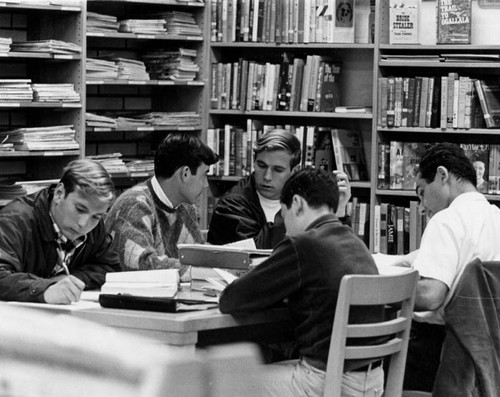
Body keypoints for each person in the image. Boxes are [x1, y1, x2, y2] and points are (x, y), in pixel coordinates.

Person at [219, 167, 384, 397]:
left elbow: (232, 300)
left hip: (329, 381)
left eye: (284, 216)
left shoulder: (303, 243)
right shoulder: (354, 241)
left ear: (296, 203)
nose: (286, 231)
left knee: (222, 383)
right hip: (372, 381)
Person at [392, 143, 500, 391]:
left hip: (439, 351)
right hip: (488, 355)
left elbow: (431, 295)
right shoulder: (495, 217)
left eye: (421, 192)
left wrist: (387, 293)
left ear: (442, 175)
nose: (421, 205)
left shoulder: (446, 219)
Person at [0, 159, 120, 304]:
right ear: (59, 193)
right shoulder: (14, 220)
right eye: (80, 209)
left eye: (96, 216)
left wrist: (72, 279)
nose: (83, 224)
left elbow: (110, 267)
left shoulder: (94, 224)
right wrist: (46, 289)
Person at [207, 129, 351, 249]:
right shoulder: (231, 205)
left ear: (295, 170)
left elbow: (340, 250)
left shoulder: (305, 196)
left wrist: (339, 212)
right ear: (254, 163)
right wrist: (293, 211)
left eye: (278, 169)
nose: (267, 177)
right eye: (261, 166)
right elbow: (255, 259)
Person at [105, 133, 219, 272]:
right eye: (204, 174)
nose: (206, 184)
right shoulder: (133, 204)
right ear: (185, 173)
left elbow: (198, 257)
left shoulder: (187, 207)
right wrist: (205, 268)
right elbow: (141, 265)